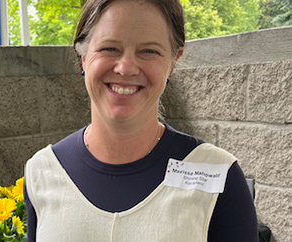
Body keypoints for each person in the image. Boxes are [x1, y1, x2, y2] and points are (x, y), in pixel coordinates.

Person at [24, 0, 258, 241]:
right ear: (83, 56)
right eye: (109, 48)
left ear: (173, 61)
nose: (126, 68)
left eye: (149, 51)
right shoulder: (42, 171)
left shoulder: (219, 174)